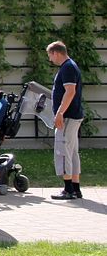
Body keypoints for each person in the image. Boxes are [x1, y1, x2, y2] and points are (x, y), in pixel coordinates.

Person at [47, 41, 84, 200]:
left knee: (62, 152)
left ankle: (68, 190)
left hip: (68, 116)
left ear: (56, 53)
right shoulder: (70, 66)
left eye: (50, 55)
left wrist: (60, 113)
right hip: (74, 115)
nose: (50, 59)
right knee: (72, 152)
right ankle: (76, 189)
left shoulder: (67, 67)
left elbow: (70, 92)